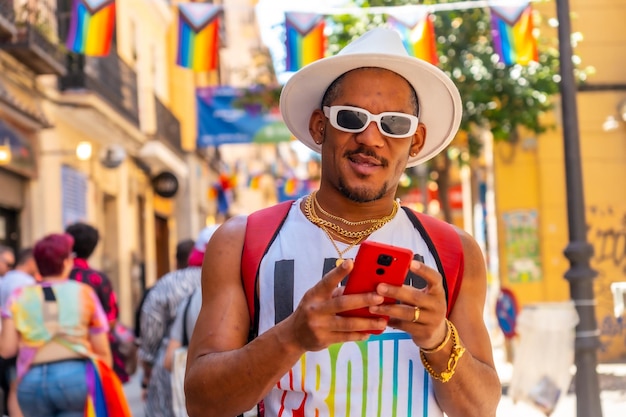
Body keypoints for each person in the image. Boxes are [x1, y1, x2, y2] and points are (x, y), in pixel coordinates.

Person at [185, 27, 501, 417]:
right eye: (351, 118)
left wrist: (439, 339)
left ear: (416, 140)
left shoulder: (454, 251)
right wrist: (292, 336)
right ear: (320, 127)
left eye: (394, 124)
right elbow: (202, 402)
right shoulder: (243, 241)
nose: (370, 137)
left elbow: (481, 408)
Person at [0, 233, 112, 416]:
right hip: (75, 379)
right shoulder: (84, 293)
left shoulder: (19, 296)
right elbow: (102, 350)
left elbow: (6, 349)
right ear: (67, 261)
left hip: (31, 380)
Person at [139, 226, 218, 417]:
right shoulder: (236, 283)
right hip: (220, 377)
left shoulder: (169, 283)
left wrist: (148, 364)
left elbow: (151, 325)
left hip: (172, 371)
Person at [64, 222, 128, 382]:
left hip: (64, 348)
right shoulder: (99, 279)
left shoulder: (60, 277)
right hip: (97, 352)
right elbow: (111, 319)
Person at [0, 247, 38, 417]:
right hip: (16, 341)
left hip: (5, 340)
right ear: (31, 262)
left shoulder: (5, 279)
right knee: (15, 387)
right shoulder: (25, 284)